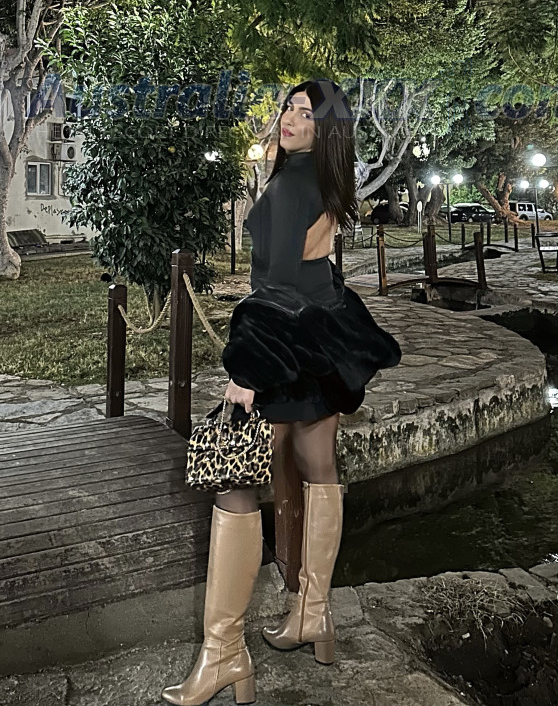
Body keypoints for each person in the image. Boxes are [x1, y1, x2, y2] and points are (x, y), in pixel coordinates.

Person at [161, 78, 402, 706]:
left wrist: (248, 370)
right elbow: (318, 272)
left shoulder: (293, 185)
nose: (290, 119)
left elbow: (277, 287)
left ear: (328, 130)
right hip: (320, 338)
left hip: (284, 344)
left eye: (306, 113)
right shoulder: (323, 180)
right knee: (318, 466)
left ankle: (224, 653)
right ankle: (313, 614)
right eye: (288, 108)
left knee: (233, 480)